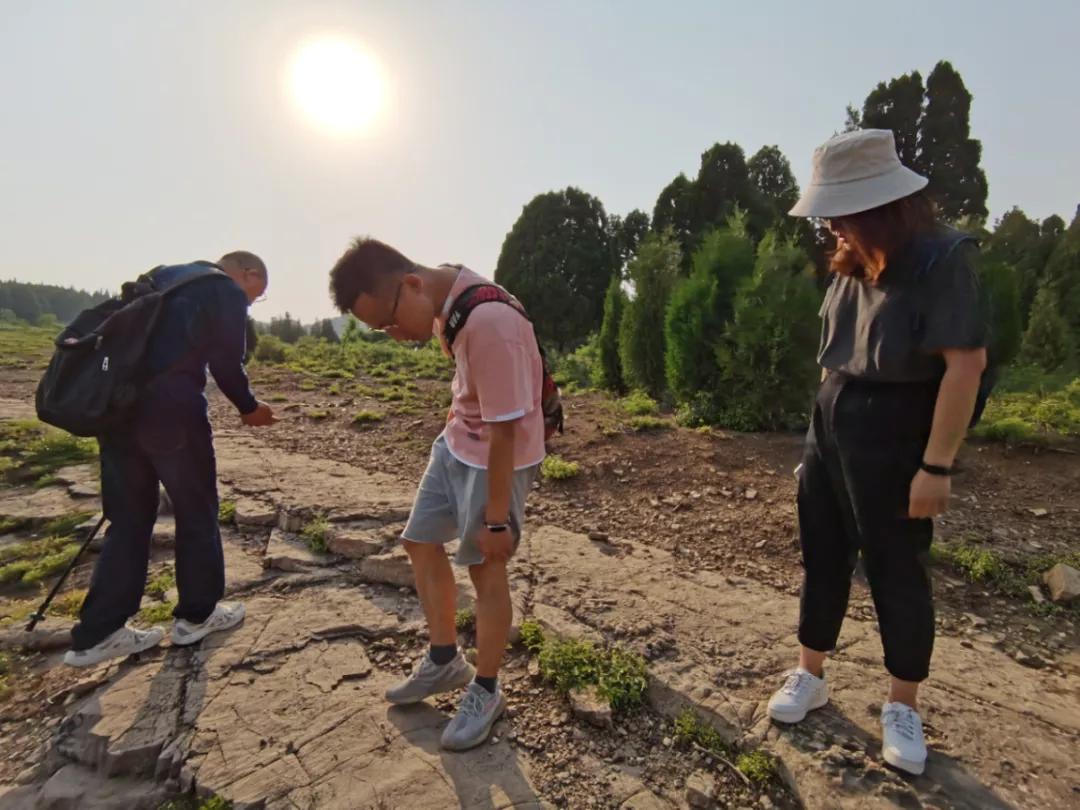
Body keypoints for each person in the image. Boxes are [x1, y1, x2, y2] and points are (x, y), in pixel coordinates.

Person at [767, 130, 988, 776]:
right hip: (831, 423)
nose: (830, 226)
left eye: (839, 212)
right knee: (822, 553)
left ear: (879, 207)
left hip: (896, 430)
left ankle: (902, 705)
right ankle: (811, 674)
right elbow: (834, 356)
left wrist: (936, 466)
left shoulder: (943, 260)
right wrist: (816, 446)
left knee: (896, 567)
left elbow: (966, 366)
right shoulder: (852, 261)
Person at [329, 238, 544, 751]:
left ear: (411, 284)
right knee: (419, 541)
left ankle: (487, 690)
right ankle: (445, 659)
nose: (395, 336)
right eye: (380, 330)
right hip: (457, 441)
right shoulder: (446, 291)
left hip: (497, 456)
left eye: (389, 322)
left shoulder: (490, 322)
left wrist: (496, 520)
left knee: (486, 567)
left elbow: (507, 429)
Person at [64, 251, 278, 667]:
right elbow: (226, 363)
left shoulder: (160, 278)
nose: (251, 302)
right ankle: (197, 617)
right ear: (247, 273)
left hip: (117, 411)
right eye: (257, 294)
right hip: (173, 415)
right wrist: (250, 408)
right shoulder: (223, 288)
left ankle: (97, 634)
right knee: (196, 510)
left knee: (128, 519)